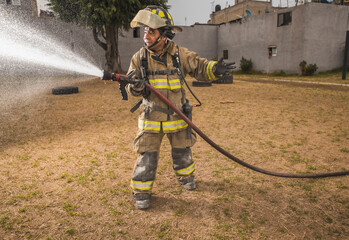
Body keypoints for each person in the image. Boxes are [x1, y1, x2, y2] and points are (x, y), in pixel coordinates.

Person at [126, 5, 234, 210]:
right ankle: (141, 191)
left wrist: (215, 69)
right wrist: (136, 87)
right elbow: (131, 89)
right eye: (145, 31)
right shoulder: (139, 58)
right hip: (151, 118)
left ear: (164, 35)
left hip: (177, 116)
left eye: (152, 31)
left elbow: (199, 66)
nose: (146, 35)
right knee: (146, 156)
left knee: (183, 151)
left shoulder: (178, 55)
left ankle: (186, 178)